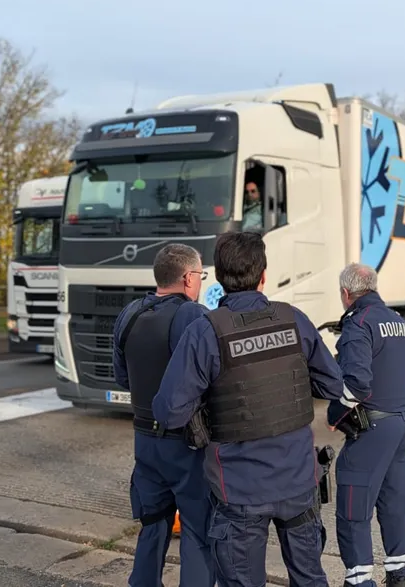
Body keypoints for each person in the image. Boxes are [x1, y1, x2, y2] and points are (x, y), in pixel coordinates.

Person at [152, 231, 346, 587]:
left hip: (240, 492)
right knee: (310, 579)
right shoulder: (294, 320)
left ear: (220, 277)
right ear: (263, 275)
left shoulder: (204, 332)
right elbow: (334, 385)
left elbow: (169, 411)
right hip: (299, 483)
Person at [111, 243, 215, 587]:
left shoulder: (130, 313)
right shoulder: (192, 315)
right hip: (185, 444)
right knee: (198, 531)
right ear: (188, 278)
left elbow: (122, 378)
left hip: (144, 441)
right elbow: (210, 378)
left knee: (153, 523)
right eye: (200, 274)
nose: (200, 281)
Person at [327, 263, 405, 587]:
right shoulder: (397, 320)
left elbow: (356, 384)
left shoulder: (359, 324)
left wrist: (335, 415)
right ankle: (399, 574)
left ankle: (359, 581)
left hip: (371, 430)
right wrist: (395, 395)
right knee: (394, 503)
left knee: (353, 511)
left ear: (346, 293)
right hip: (400, 424)